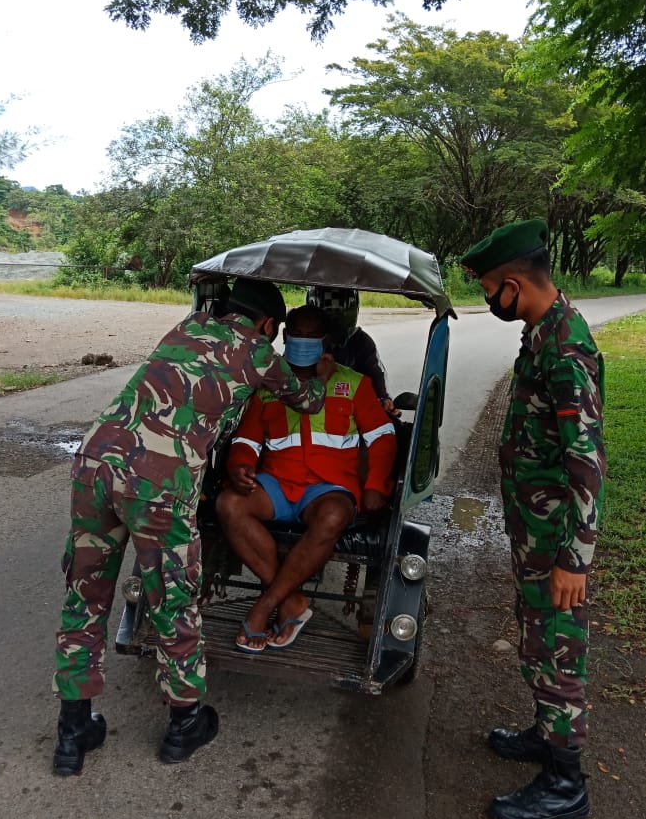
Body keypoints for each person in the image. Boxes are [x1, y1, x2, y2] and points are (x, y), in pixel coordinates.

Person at [52, 279, 337, 774]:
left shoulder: (185, 328)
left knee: (85, 596)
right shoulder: (258, 352)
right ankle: (184, 725)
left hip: (94, 464)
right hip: (157, 482)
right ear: (268, 325)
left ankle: (72, 734)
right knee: (173, 600)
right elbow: (307, 401)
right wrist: (324, 373)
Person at [459, 218, 606, 819]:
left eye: (491, 289)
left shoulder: (567, 348)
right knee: (536, 635)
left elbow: (588, 461)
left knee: (556, 644)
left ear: (514, 284)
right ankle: (547, 735)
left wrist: (576, 558)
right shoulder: (542, 332)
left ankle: (565, 784)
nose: (488, 301)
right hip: (534, 528)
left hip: (555, 538)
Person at [215, 304, 397, 652]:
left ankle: (266, 604)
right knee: (228, 503)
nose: (303, 342)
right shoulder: (268, 381)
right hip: (277, 484)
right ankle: (291, 602)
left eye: (312, 337)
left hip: (328, 489)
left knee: (333, 516)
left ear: (326, 342)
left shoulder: (354, 383)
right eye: (297, 334)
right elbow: (246, 439)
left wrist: (375, 486)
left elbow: (382, 436)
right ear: (285, 336)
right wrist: (239, 463)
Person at [305, 286, 396, 414]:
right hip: (308, 408)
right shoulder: (305, 340)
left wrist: (384, 399)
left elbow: (375, 375)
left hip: (352, 412)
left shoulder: (361, 342)